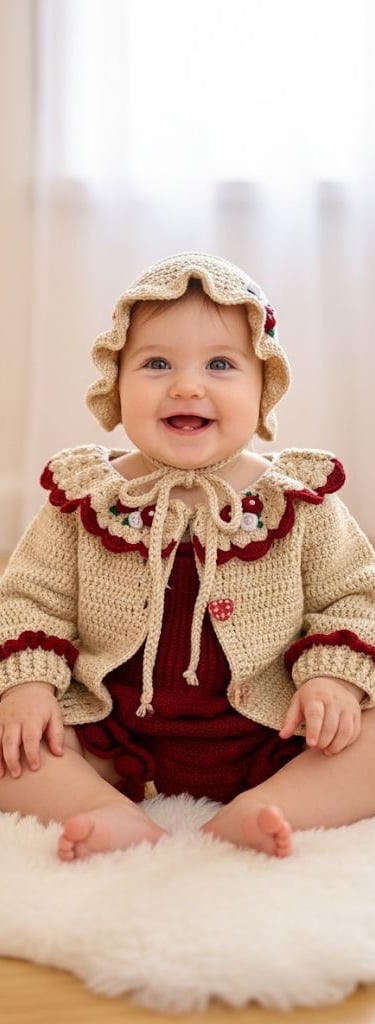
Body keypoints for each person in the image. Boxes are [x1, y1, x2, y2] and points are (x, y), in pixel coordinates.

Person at [1, 251, 375, 863]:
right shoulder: (86, 498)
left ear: (263, 392)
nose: (187, 385)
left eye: (221, 364)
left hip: (274, 731)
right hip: (110, 728)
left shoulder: (298, 502)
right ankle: (103, 809)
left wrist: (332, 676)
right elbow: (30, 599)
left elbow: (355, 596)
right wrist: (30, 688)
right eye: (156, 364)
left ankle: (270, 807)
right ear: (115, 389)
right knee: (15, 736)